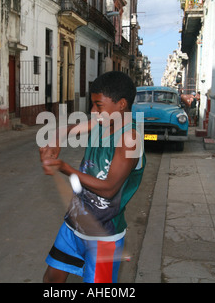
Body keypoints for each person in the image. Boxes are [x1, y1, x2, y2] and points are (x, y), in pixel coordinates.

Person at [39, 71, 146, 283]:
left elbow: (109, 188)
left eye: (99, 106)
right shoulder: (102, 123)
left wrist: (64, 167)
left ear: (121, 104)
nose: (93, 111)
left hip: (104, 237)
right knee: (51, 280)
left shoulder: (130, 139)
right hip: (72, 227)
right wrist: (57, 136)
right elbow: (71, 129)